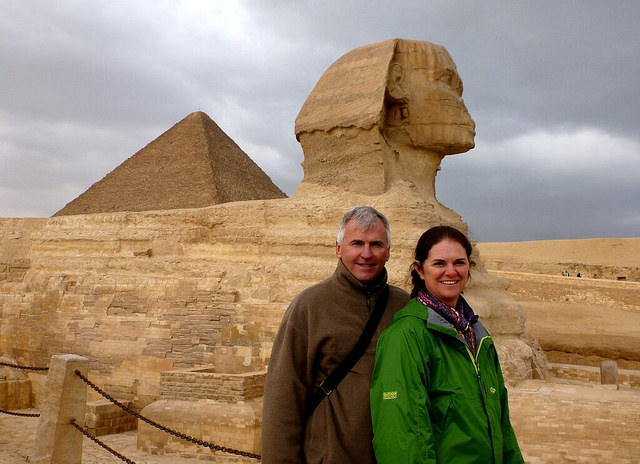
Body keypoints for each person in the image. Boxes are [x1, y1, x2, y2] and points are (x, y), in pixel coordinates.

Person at [262, 205, 410, 463]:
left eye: (376, 244)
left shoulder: (404, 306)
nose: (366, 254)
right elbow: (284, 399)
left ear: (388, 252)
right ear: (339, 249)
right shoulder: (309, 306)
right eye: (356, 243)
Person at [370, 225, 524, 463]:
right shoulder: (405, 336)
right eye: (439, 263)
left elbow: (502, 425)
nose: (450, 272)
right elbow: (402, 439)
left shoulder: (477, 333)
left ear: (470, 268)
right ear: (420, 270)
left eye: (459, 263)